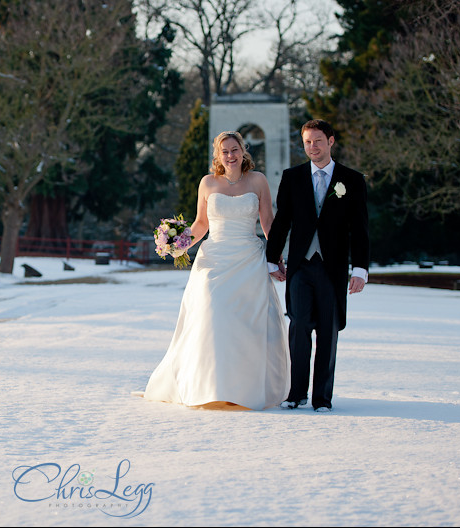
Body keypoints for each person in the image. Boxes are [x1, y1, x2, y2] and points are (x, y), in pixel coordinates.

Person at [143, 131, 290, 410]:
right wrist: (179, 244)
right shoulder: (207, 183)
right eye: (225, 151)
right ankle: (213, 387)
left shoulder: (258, 181)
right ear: (218, 155)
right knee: (214, 314)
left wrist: (276, 259)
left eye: (235, 150)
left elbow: (269, 223)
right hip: (214, 259)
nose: (231, 155)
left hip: (249, 257)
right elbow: (200, 224)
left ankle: (245, 389)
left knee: (248, 321)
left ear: (243, 151)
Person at [266, 119, 370, 413]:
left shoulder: (351, 180)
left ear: (331, 141)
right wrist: (272, 258)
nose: (313, 147)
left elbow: (360, 228)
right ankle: (296, 394)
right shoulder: (292, 177)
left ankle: (322, 398)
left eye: (318, 141)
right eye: (308, 142)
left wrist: (360, 268)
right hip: (300, 267)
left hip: (333, 268)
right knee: (298, 328)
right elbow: (282, 221)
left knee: (328, 331)